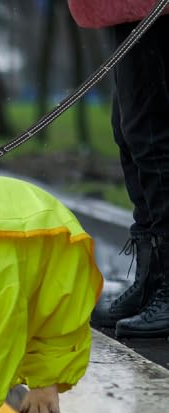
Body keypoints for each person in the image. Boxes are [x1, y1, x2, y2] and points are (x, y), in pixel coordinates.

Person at [68, 0, 169, 338]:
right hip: (123, 8)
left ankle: (167, 286)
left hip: (149, 8)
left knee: (151, 134)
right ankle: (152, 280)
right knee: (129, 131)